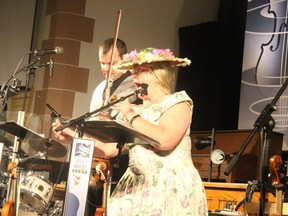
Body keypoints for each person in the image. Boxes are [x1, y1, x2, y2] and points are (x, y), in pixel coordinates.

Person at [53, 47, 208, 215]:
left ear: (157, 75)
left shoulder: (178, 103)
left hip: (169, 187)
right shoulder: (137, 111)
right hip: (136, 188)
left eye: (140, 70)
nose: (134, 75)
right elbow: (109, 149)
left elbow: (164, 140)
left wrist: (129, 115)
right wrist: (74, 136)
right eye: (133, 71)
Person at [53, 38, 141, 215]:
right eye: (102, 63)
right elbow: (93, 125)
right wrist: (73, 133)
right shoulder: (101, 87)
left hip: (122, 159)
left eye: (112, 63)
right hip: (96, 159)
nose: (106, 69)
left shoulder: (135, 85)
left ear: (125, 59)